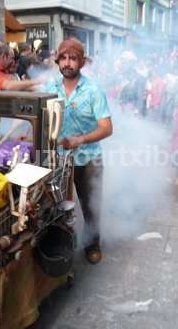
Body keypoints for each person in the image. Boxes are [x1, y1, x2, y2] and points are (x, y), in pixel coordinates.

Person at [45, 38, 113, 264]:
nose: (67, 63)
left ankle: (92, 245)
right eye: (63, 58)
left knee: (91, 205)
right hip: (59, 160)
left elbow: (107, 128)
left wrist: (81, 139)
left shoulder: (94, 90)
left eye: (73, 58)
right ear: (57, 61)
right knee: (59, 207)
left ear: (81, 62)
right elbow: (42, 120)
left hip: (89, 158)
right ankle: (61, 246)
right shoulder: (49, 88)